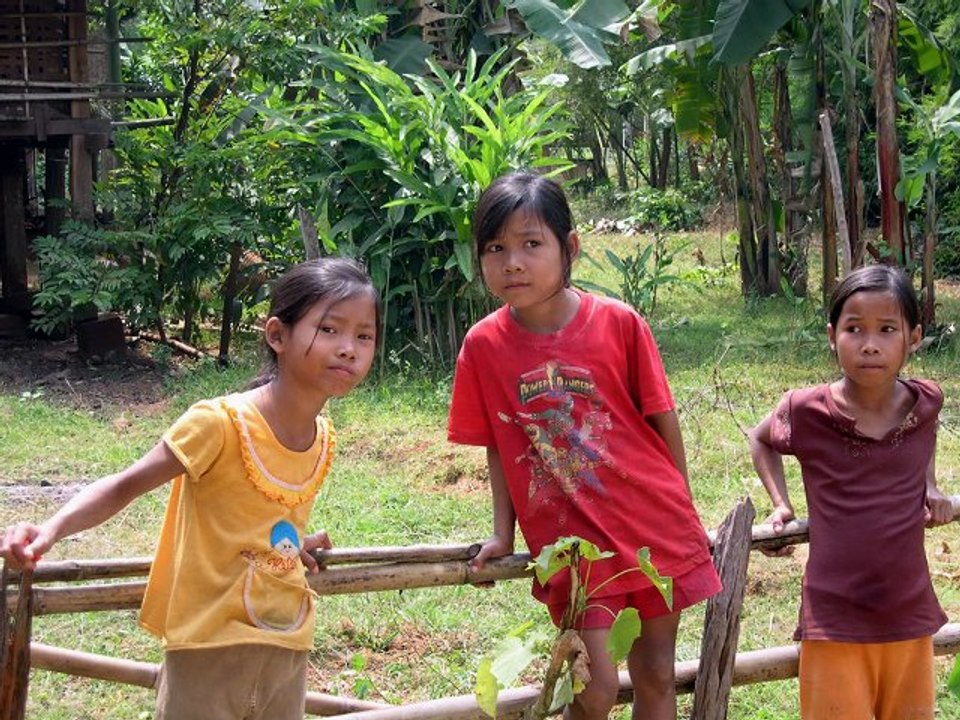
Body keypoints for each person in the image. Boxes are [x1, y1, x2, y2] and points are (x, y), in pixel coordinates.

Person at [0, 258, 380, 720]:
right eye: (330, 330)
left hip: (287, 640)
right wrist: (51, 529)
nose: (349, 349)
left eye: (364, 336)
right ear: (277, 335)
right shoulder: (219, 424)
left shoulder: (321, 436)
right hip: (207, 645)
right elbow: (126, 485)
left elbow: (252, 514)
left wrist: (291, 542)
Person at [447, 172, 720, 720]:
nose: (513, 263)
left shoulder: (619, 323)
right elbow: (498, 445)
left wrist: (684, 513)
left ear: (568, 247)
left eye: (531, 244)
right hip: (573, 545)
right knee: (591, 688)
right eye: (495, 249)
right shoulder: (484, 346)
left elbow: (662, 421)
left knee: (657, 675)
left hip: (653, 526)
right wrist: (503, 531)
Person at [748, 264, 953, 720]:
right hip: (834, 618)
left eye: (886, 329)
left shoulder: (925, 402)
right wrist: (782, 503)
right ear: (831, 334)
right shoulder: (805, 410)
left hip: (908, 612)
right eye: (853, 329)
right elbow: (761, 439)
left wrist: (929, 483)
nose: (870, 344)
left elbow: (926, 432)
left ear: (913, 337)